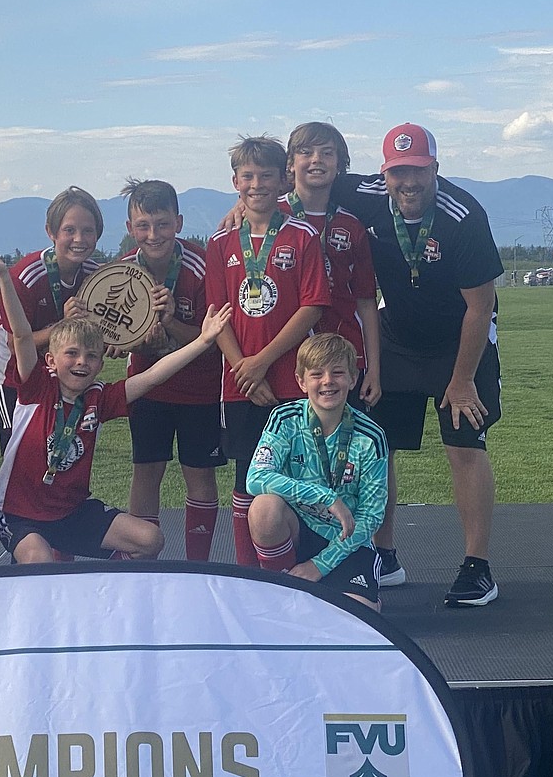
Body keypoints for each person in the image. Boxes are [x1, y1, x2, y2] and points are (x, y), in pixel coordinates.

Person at [0, 246, 233, 564]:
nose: (82, 362)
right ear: (50, 360)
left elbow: (152, 376)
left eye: (91, 356)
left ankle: (109, 594)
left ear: (100, 362)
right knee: (39, 557)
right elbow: (23, 337)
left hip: (71, 514)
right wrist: (3, 278)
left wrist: (203, 341)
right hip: (21, 517)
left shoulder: (98, 398)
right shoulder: (36, 387)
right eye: (72, 354)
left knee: (149, 540)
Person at [334, 123, 503, 607]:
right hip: (398, 337)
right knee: (377, 445)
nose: (408, 182)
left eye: (418, 171)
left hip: (461, 340)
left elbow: (479, 306)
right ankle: (382, 555)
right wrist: (244, 208)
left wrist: (463, 380)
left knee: (464, 444)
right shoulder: (365, 192)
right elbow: (303, 182)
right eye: (398, 172)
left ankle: (478, 568)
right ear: (384, 172)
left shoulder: (463, 215)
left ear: (435, 168)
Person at [205, 135, 331, 568]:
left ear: (283, 181)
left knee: (294, 475)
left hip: (290, 383)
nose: (255, 184)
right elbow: (216, 314)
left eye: (265, 176)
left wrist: (262, 363)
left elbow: (312, 306)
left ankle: (294, 570)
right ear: (235, 181)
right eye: (247, 176)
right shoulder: (220, 243)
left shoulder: (302, 236)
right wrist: (244, 368)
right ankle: (247, 575)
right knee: (245, 478)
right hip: (239, 384)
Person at [118, 178, 225, 560]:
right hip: (148, 390)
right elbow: (115, 337)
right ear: (130, 228)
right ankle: (140, 559)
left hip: (200, 389)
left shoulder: (201, 265)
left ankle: (198, 564)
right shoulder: (121, 273)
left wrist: (169, 322)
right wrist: (120, 342)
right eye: (143, 225)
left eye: (162, 224)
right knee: (146, 471)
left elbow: (214, 337)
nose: (153, 234)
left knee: (199, 474)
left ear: (178, 223)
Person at [245, 334, 388, 611]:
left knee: (362, 616)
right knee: (264, 507)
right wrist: (326, 497)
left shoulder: (371, 436)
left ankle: (327, 588)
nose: (327, 381)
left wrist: (318, 566)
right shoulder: (284, 419)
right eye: (317, 374)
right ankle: (281, 589)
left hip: (345, 540)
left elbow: (371, 517)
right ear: (301, 381)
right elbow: (256, 477)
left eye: (337, 373)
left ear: (353, 378)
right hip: (299, 531)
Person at [0, 187, 103, 454]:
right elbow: (18, 344)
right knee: (17, 445)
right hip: (11, 374)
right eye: (69, 230)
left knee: (53, 444)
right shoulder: (25, 276)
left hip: (60, 370)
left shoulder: (97, 278)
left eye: (88, 231)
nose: (79, 239)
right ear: (51, 232)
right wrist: (63, 325)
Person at [282, 123, 381, 410]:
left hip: (344, 358)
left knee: (344, 449)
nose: (316, 159)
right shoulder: (269, 218)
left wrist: (373, 368)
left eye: (327, 153)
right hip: (286, 357)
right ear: (291, 164)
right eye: (306, 152)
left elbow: (366, 302)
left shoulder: (352, 225)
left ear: (340, 165)